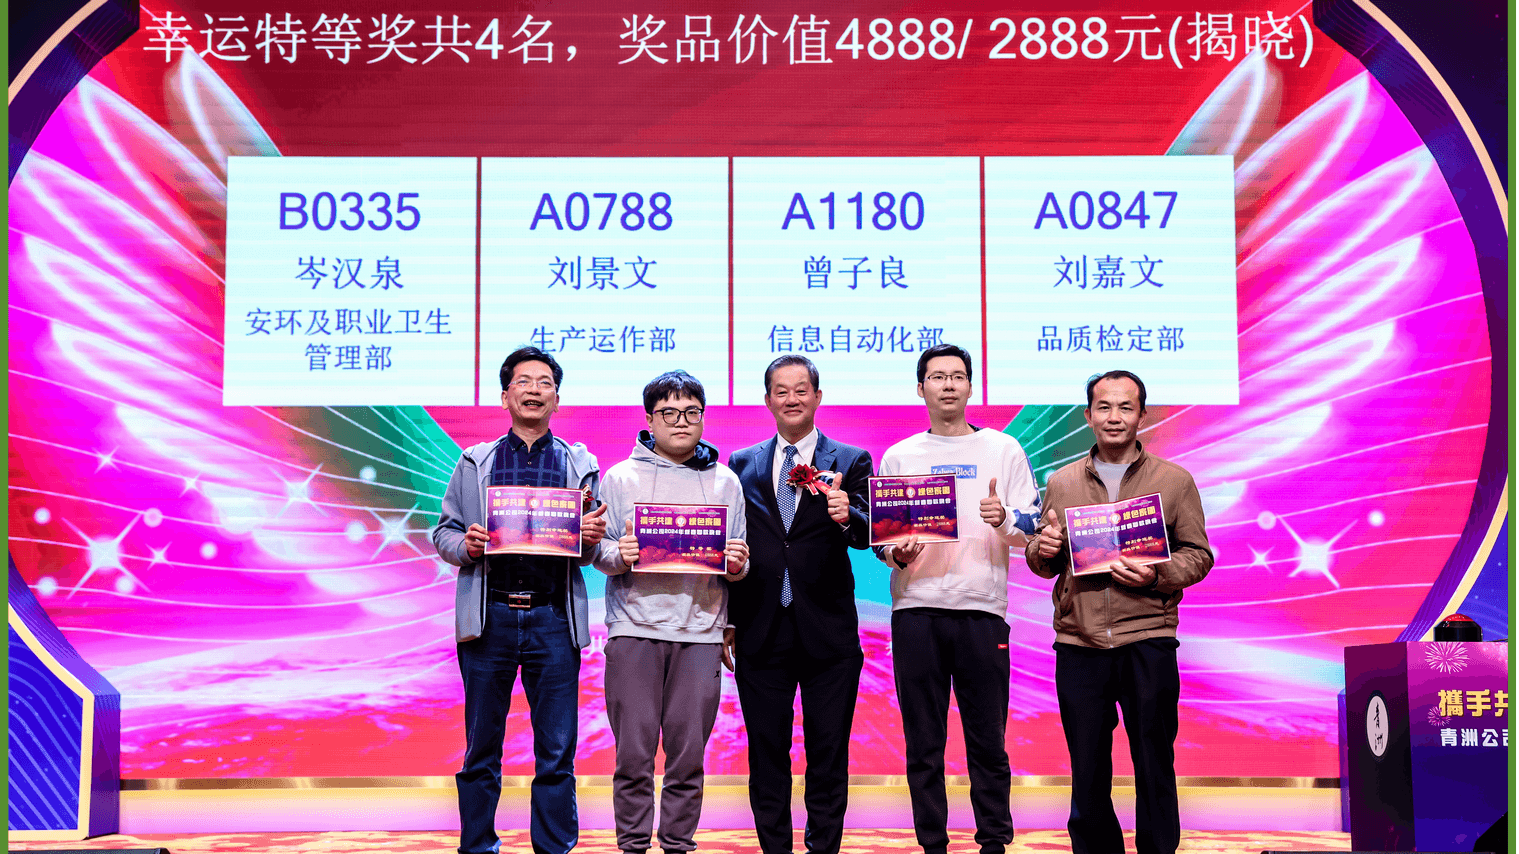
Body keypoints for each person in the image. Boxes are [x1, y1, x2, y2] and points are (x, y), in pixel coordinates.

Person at [431, 346, 610, 854]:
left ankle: (553, 848)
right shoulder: (476, 462)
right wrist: (465, 546)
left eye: (545, 382)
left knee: (556, 752)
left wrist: (590, 537)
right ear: (505, 395)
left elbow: (591, 548)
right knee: (481, 748)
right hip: (489, 619)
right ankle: (477, 847)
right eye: (524, 382)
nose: (534, 390)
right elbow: (444, 533)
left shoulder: (580, 465)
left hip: (553, 619)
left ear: (557, 398)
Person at [1025, 370, 1213, 854]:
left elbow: (1199, 555)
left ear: (1142, 415)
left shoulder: (1174, 481)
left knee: (1154, 760)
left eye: (1125, 407)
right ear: (1088, 416)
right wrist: (1043, 548)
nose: (1114, 417)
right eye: (1104, 407)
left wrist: (1156, 575)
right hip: (1079, 641)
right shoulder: (1062, 482)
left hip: (1148, 637)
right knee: (1087, 766)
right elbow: (1042, 562)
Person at [875, 343, 1040, 854]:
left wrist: (1004, 519)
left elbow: (1033, 525)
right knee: (923, 743)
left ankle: (994, 841)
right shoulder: (900, 455)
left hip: (981, 611)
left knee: (987, 741)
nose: (948, 384)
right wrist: (898, 554)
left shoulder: (1003, 449)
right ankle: (932, 843)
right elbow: (883, 540)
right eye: (937, 376)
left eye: (957, 376)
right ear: (920, 388)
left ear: (970, 386)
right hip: (916, 611)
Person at [592, 370, 750, 854]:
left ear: (703, 417)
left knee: (688, 757)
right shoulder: (620, 478)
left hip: (700, 633)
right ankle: (632, 844)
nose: (681, 421)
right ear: (649, 419)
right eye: (669, 412)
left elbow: (739, 562)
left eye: (691, 412)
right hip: (634, 629)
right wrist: (621, 554)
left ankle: (679, 843)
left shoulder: (726, 481)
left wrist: (738, 565)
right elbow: (599, 553)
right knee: (633, 755)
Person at [727, 355, 874, 854]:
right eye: (781, 391)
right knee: (766, 755)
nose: (792, 399)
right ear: (768, 400)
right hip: (760, 629)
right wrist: (729, 620)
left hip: (828, 634)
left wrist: (847, 514)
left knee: (828, 755)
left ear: (817, 396)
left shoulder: (851, 460)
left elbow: (870, 534)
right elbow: (734, 541)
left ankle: (823, 848)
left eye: (801, 389)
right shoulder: (741, 464)